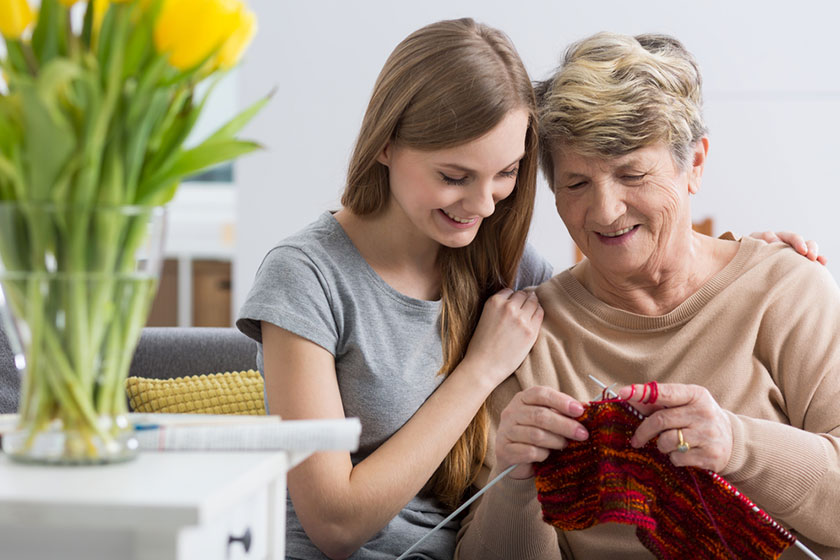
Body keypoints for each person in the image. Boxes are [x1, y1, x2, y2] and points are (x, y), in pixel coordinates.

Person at [455, 32, 840, 559]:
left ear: (695, 165)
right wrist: (515, 482)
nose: (606, 211)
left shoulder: (786, 291)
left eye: (632, 174)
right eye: (576, 184)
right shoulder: (524, 336)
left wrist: (737, 444)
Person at [236, 18, 550, 560]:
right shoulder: (305, 276)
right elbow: (334, 524)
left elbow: (624, 310)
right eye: (454, 176)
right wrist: (478, 370)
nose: (484, 204)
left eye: (507, 172)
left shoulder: (506, 263)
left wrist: (738, 258)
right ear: (385, 145)